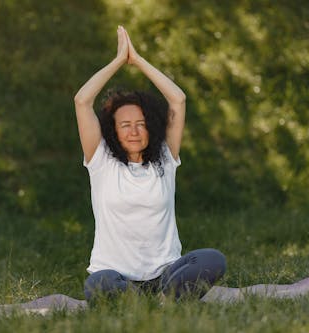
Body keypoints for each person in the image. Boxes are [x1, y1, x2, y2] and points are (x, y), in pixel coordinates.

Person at [74, 26, 226, 302]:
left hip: (166, 273)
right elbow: (82, 101)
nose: (133, 131)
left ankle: (160, 298)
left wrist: (139, 60)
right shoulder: (101, 161)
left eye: (140, 124)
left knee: (213, 260)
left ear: (151, 127)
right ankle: (141, 299)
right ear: (113, 131)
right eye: (125, 125)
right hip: (116, 275)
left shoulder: (165, 158)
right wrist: (119, 61)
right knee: (100, 283)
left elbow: (178, 99)